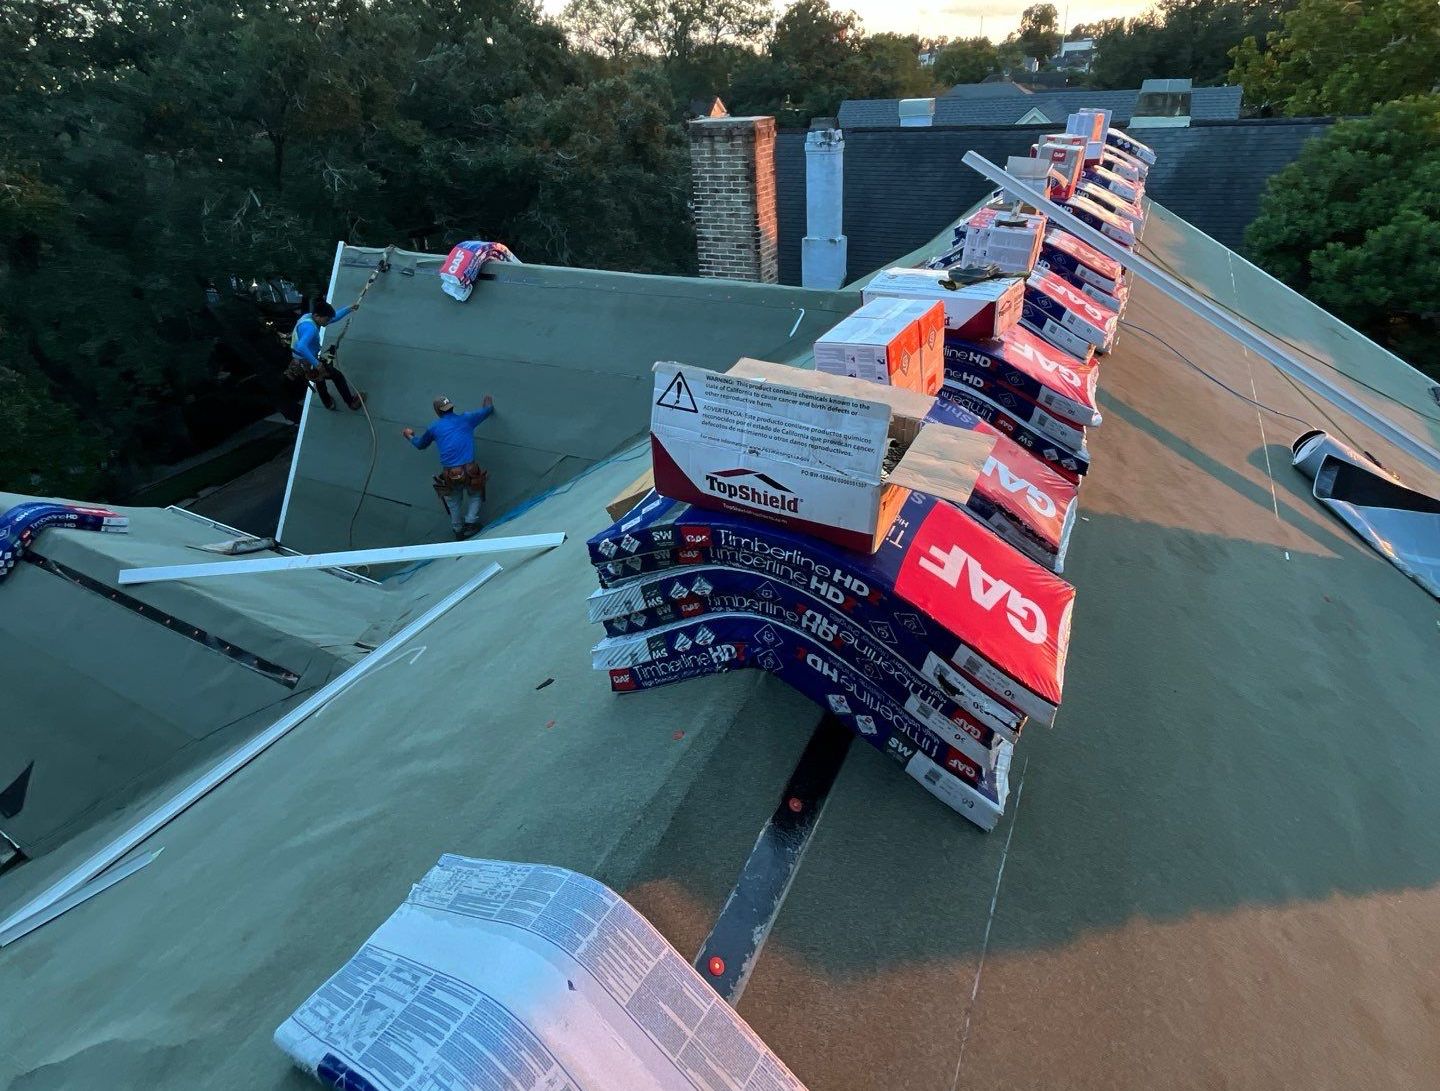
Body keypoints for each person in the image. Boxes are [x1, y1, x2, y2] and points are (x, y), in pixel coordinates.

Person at [404, 395, 495, 540]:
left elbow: (421, 445)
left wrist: (409, 436)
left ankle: (458, 530)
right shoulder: (467, 418)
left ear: (438, 412)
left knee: (453, 501)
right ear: (452, 407)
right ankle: (471, 522)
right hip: (471, 470)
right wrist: (487, 402)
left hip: (451, 474)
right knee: (476, 494)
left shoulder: (434, 427)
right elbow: (488, 410)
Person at [289, 298, 363, 410]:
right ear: (317, 316)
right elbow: (301, 346)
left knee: (320, 380)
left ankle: (328, 404)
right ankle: (351, 402)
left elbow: (333, 318)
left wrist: (349, 309)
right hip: (308, 361)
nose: (328, 322)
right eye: (326, 320)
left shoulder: (309, 317)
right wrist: (317, 363)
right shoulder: (310, 328)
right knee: (337, 376)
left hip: (300, 360)